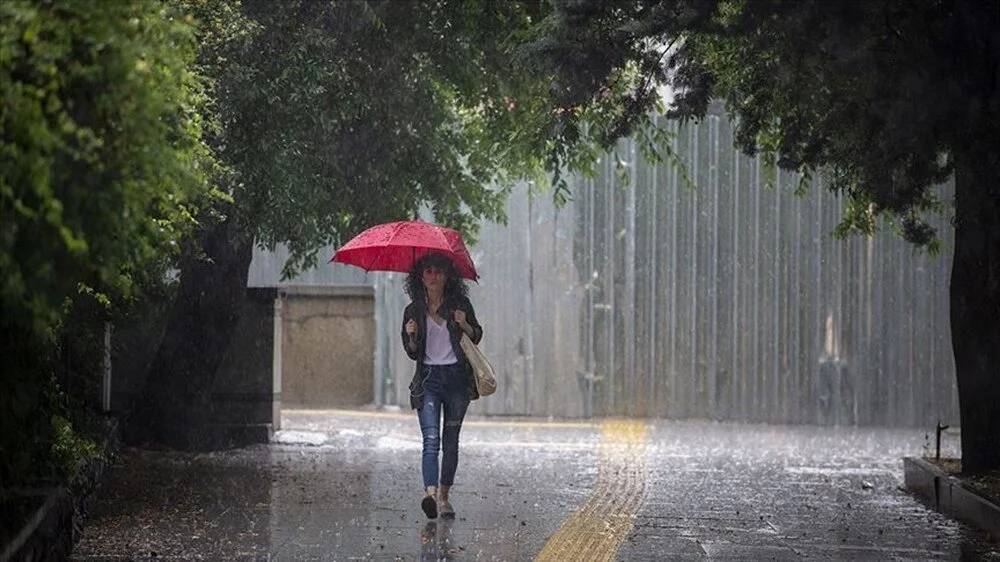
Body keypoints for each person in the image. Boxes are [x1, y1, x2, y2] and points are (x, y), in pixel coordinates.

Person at [401, 252, 483, 520]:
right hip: (429, 381)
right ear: (420, 277)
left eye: (438, 271)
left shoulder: (459, 305)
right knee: (431, 439)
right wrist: (412, 335)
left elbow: (477, 335)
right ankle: (430, 494)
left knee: (450, 442)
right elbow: (412, 352)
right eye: (428, 271)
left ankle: (445, 496)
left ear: (448, 276)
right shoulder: (413, 310)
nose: (433, 275)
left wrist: (464, 324)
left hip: (457, 380)